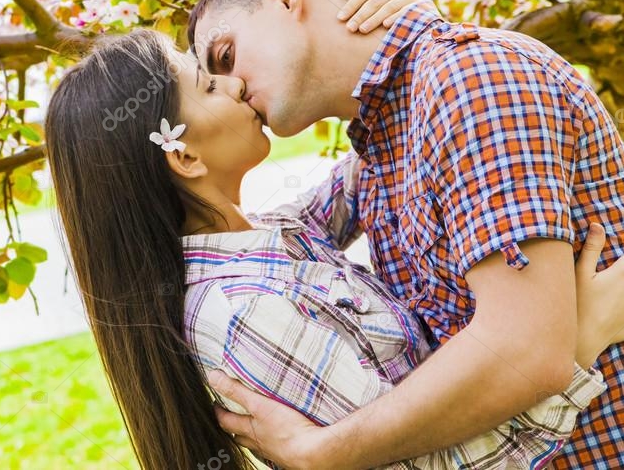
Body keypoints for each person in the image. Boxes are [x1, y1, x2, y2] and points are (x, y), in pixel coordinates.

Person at [44, 27, 624, 470]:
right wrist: (580, 340)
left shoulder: (268, 239)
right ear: (186, 158)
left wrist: (385, 23)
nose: (237, 83)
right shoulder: (244, 312)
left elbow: (383, 146)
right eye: (209, 84)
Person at [186, 0, 624, 469]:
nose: (230, 88)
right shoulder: (381, 138)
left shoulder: (469, 80)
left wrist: (319, 454)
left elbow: (526, 349)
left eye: (225, 56)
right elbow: (252, 241)